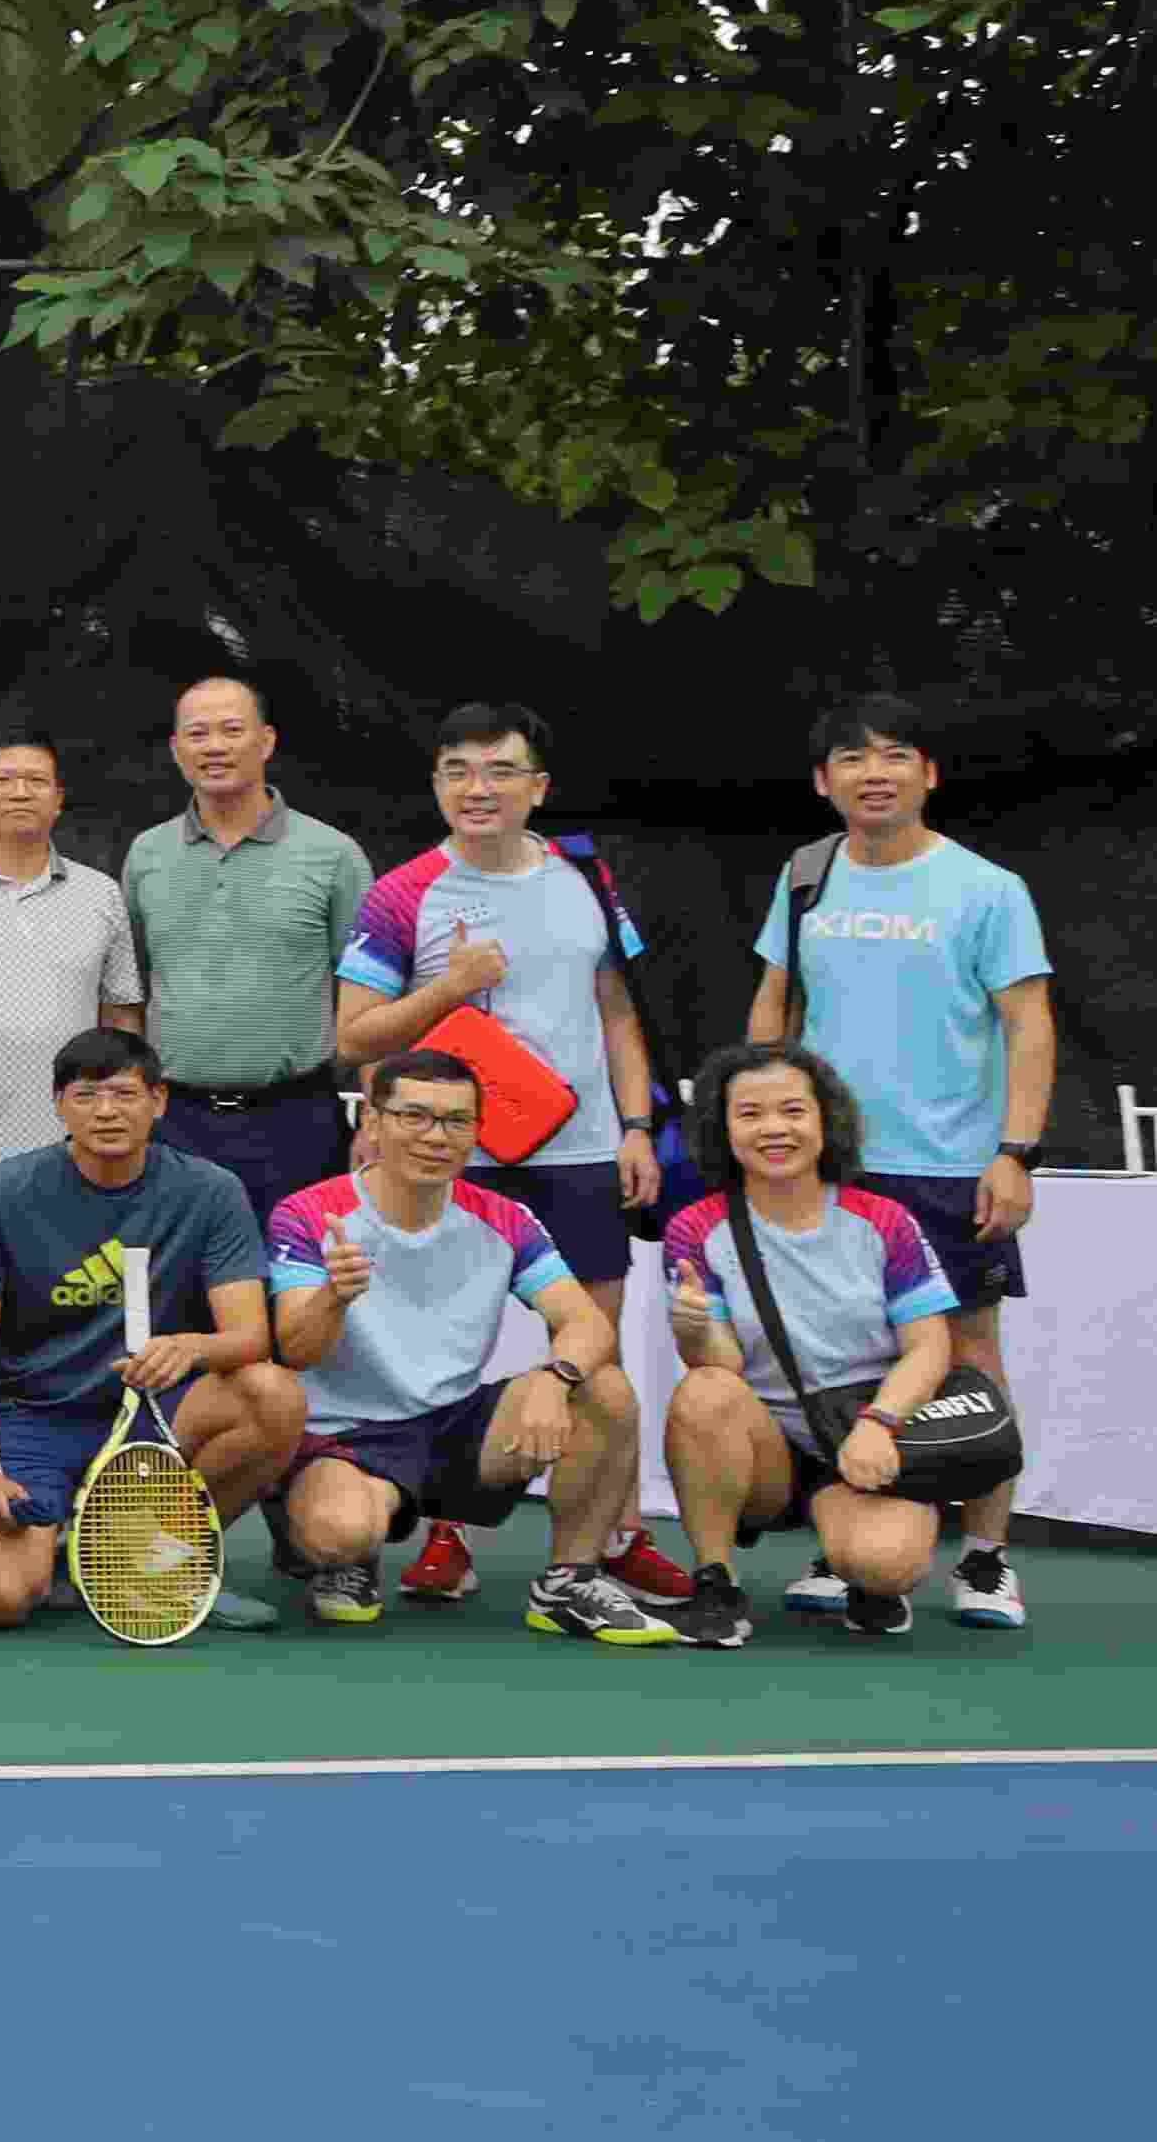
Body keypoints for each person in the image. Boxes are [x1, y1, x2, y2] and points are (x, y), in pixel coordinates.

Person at [332, 701, 671, 1603]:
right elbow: (355, 1038)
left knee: (593, 1353)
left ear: (538, 787)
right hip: (449, 1153)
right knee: (445, 1347)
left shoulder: (587, 880)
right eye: (457, 771)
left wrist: (636, 1128)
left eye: (499, 771)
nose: (477, 789)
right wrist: (451, 986)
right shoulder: (402, 892)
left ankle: (606, 1540)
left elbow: (620, 1014)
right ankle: (446, 1535)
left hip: (583, 1152)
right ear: (438, 783)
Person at [740, 695, 1054, 1628]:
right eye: (851, 758)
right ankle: (850, 1545)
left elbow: (1029, 1023)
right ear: (823, 780)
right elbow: (774, 1005)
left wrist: (1014, 1152)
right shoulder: (805, 876)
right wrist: (761, 1117)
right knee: (845, 1358)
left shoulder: (987, 889)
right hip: (825, 1171)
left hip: (951, 1169)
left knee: (967, 1356)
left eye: (894, 756)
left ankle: (987, 1557)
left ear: (929, 774)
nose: (873, 773)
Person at [262, 1048, 673, 1643]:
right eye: (415, 1117)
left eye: (457, 1121)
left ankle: (568, 1584)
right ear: (372, 1122)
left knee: (603, 1386)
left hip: (459, 1428)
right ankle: (348, 1553)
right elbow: (296, 1350)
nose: (437, 1136)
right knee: (337, 1534)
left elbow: (587, 1324)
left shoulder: (506, 1218)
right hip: (347, 1435)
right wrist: (335, 1296)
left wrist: (556, 1381)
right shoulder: (309, 1214)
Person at [0, 1028, 297, 1635]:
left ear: (158, 1101)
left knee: (274, 1394)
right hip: (34, 1417)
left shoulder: (211, 1192)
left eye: (125, 1094)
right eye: (86, 1095)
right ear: (58, 1104)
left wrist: (193, 1346)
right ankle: (60, 1547)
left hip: (154, 1414)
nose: (106, 1112)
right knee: (0, 1600)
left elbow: (249, 1337)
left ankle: (158, 1559)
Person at [651, 1043, 965, 1646]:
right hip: (769, 1444)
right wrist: (694, 1329)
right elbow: (723, 1369)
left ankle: (858, 1567)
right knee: (704, 1390)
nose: (774, 1128)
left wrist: (880, 1423)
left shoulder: (886, 1221)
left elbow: (930, 1347)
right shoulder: (694, 1229)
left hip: (866, 1434)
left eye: (793, 1110)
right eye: (750, 1114)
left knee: (887, 1564)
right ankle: (716, 1584)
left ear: (826, 1119)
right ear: (723, 1128)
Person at [124, 677, 371, 1215]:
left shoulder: (333, 855)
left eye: (232, 731)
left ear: (266, 742)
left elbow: (373, 996)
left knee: (297, 1288)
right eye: (198, 733)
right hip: (174, 1120)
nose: (214, 747)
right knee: (177, 1289)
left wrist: (376, 1115)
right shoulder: (147, 854)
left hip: (297, 1118)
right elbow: (129, 989)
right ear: (176, 749)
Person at [0, 735, 148, 1234]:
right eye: (1, 780)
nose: (20, 792)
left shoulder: (101, 895)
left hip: (79, 1152)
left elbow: (121, 1019)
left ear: (59, 800)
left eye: (36, 781)